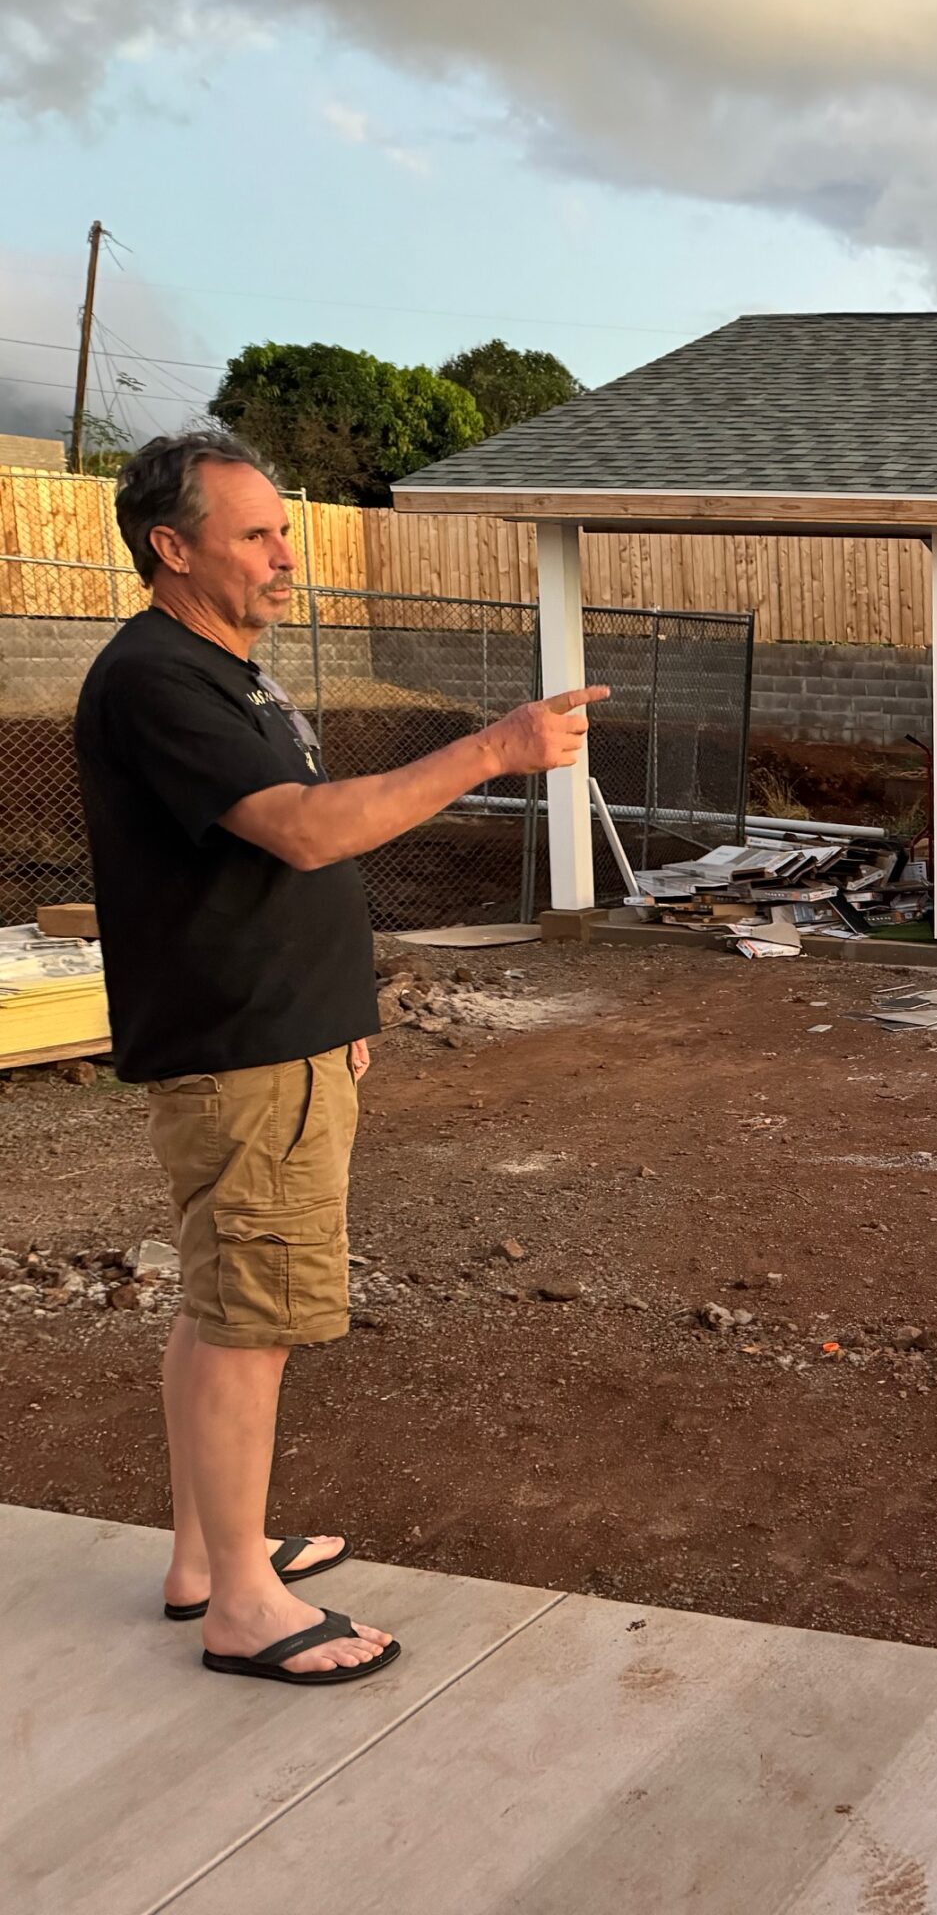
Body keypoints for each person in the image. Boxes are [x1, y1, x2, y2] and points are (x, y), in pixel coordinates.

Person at [72, 431, 605, 1685]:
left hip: (284, 1037)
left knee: (226, 1302)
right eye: (255, 532)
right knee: (252, 1316)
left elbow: (270, 867)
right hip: (244, 1052)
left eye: (283, 530)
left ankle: (214, 1556)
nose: (283, 552)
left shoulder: (229, 674)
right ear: (173, 545)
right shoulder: (157, 678)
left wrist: (339, 1000)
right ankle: (244, 1609)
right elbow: (307, 834)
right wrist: (492, 749)